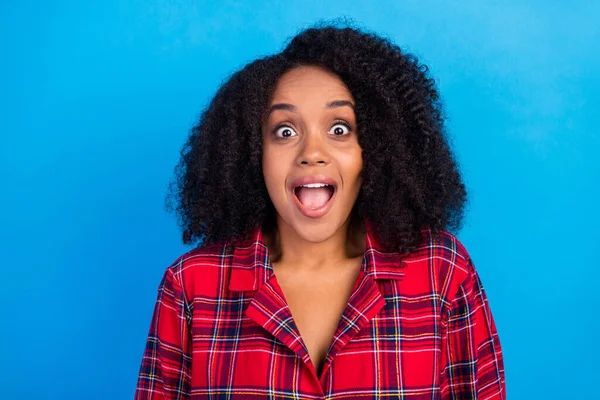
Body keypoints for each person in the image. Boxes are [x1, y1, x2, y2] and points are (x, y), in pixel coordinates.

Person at [134, 23, 506, 399]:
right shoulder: (191, 286)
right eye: (285, 132)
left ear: (376, 147)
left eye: (340, 129)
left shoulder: (442, 271)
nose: (312, 152)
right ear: (252, 154)